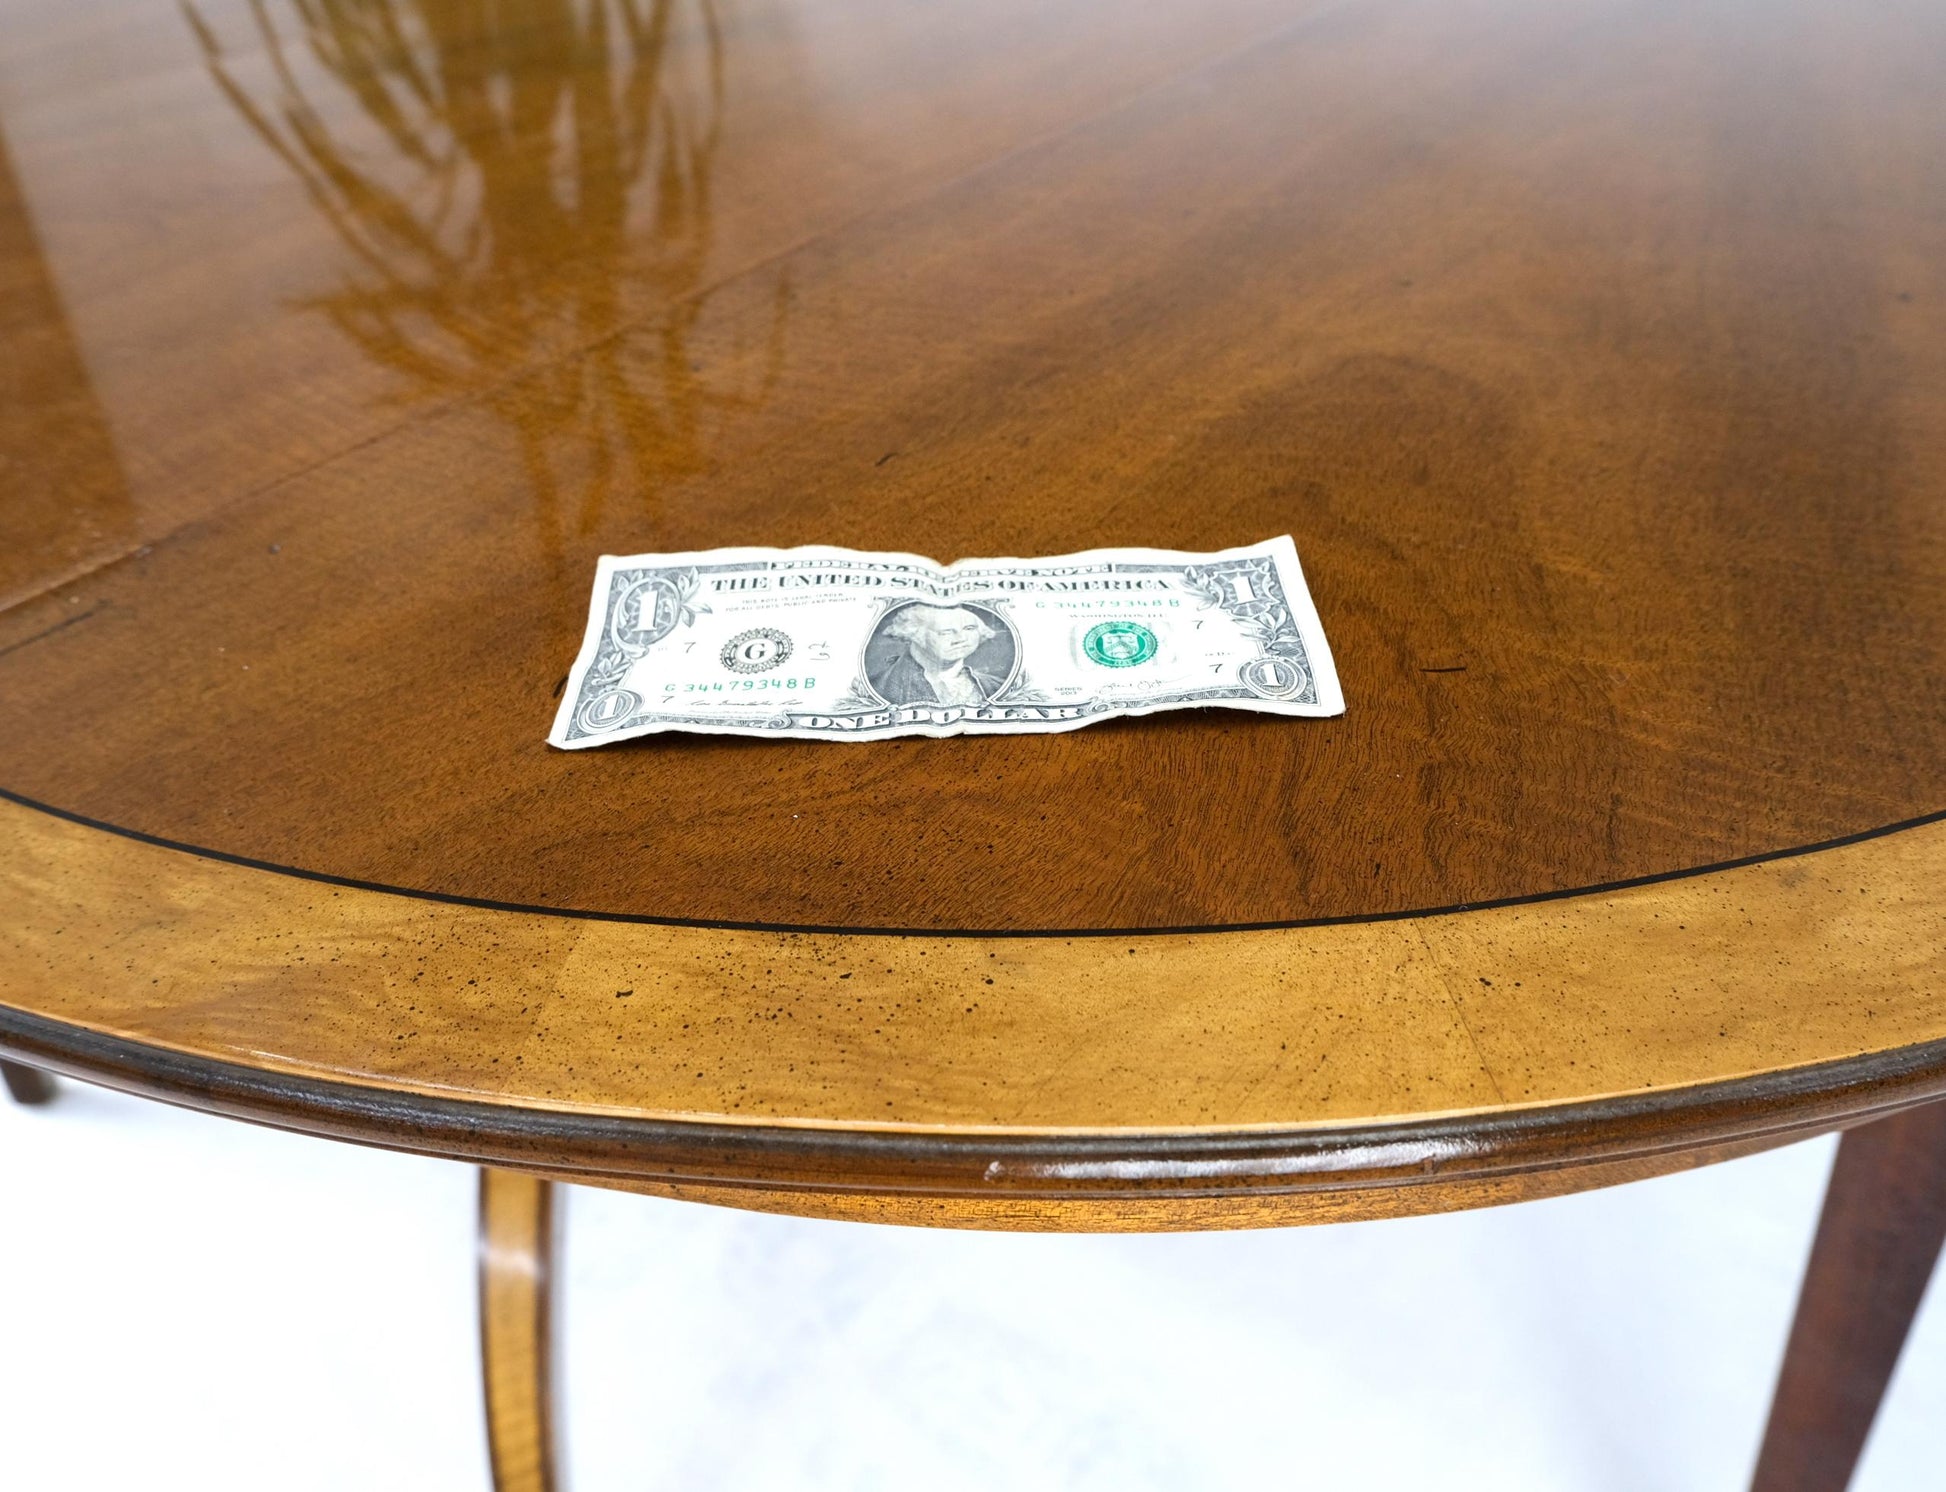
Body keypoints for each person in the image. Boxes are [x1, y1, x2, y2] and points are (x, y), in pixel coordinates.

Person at [870, 605, 1007, 706]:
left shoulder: (996, 686)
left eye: (969, 628)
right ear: (914, 635)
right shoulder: (878, 688)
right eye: (945, 632)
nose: (960, 639)